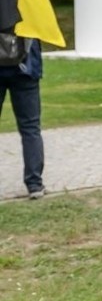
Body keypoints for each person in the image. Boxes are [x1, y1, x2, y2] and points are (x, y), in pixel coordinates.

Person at [0, 37, 45, 199]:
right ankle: (34, 184)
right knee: (31, 128)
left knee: (31, 128)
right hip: (26, 67)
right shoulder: (31, 11)